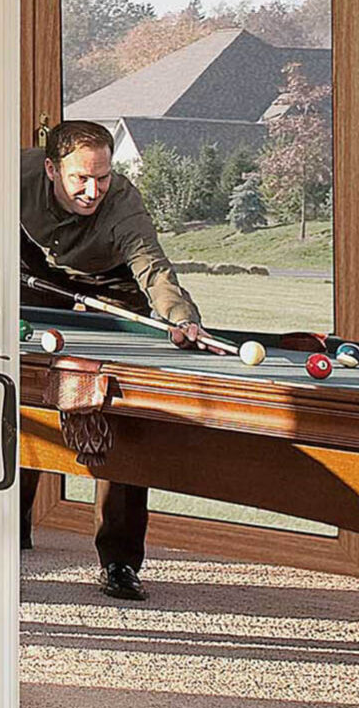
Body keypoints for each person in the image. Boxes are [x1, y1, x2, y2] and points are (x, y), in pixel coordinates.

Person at [18, 120, 222, 601]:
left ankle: (120, 562)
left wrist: (181, 317)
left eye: (103, 177)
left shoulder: (123, 203)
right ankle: (10, 529)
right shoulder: (13, 175)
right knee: (20, 398)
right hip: (36, 282)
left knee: (118, 418)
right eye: (80, 179)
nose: (93, 191)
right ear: (51, 169)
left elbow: (152, 268)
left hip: (111, 289)